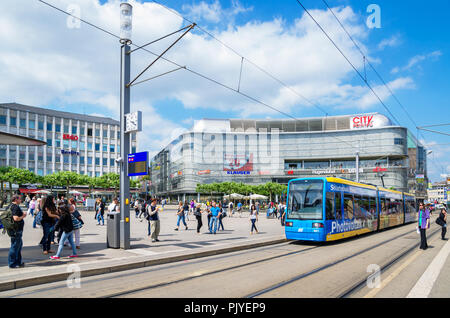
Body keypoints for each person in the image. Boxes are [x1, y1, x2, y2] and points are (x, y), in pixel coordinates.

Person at [8, 195, 26, 268]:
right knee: (15, 247)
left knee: (18, 246)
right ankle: (12, 263)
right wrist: (23, 216)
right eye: (20, 199)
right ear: (16, 199)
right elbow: (15, 218)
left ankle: (18, 262)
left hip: (13, 229)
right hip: (16, 230)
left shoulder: (10, 206)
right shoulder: (15, 207)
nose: (21, 200)